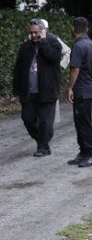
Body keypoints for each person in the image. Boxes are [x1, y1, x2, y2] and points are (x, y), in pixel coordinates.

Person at [12, 19, 62, 157]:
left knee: (45, 121)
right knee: (27, 118)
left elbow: (53, 57)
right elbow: (18, 69)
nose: (33, 35)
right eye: (31, 32)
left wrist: (44, 41)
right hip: (29, 92)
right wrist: (16, 90)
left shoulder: (53, 42)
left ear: (43, 31)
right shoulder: (25, 46)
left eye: (36, 32)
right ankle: (42, 139)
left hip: (47, 90)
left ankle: (43, 147)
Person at [66, 17, 92, 167]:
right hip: (88, 87)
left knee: (83, 122)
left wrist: (70, 87)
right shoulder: (90, 43)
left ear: (73, 28)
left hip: (81, 89)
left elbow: (75, 68)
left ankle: (90, 154)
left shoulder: (78, 46)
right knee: (81, 122)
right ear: (87, 28)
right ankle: (83, 152)